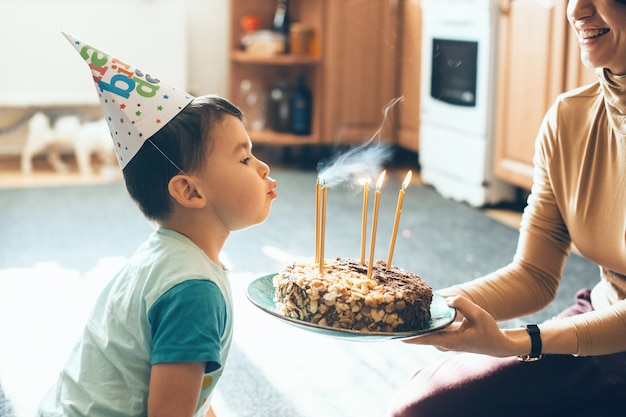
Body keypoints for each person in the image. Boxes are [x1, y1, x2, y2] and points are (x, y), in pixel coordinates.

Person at [390, 1, 626, 416]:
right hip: (602, 322)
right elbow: (534, 274)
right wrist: (411, 308)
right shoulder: (569, 118)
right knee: (421, 406)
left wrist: (520, 341)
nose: (578, 11)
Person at [37, 34, 277, 417]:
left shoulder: (165, 253)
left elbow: (189, 391)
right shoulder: (193, 292)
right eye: (245, 159)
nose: (263, 167)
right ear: (189, 191)